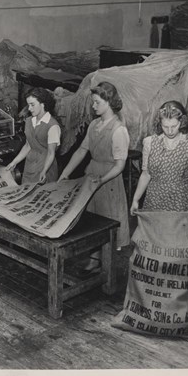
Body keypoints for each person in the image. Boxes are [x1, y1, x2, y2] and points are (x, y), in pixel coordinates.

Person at [58, 81, 130, 274]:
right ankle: (94, 259)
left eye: (97, 102)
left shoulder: (118, 130)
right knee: (92, 220)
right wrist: (65, 173)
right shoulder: (94, 125)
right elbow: (82, 150)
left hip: (109, 180)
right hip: (92, 175)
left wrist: (103, 180)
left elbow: (120, 165)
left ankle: (107, 268)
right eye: (93, 102)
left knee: (107, 222)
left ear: (109, 102)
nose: (93, 106)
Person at [130, 100, 188, 214]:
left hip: (179, 203)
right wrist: (135, 199)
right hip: (153, 201)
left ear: (182, 122)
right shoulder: (150, 142)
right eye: (165, 126)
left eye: (174, 126)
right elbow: (146, 174)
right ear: (160, 123)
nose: (170, 131)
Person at [6, 87, 61, 184]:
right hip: (30, 166)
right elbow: (28, 146)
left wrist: (44, 171)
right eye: (28, 105)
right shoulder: (29, 121)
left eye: (32, 105)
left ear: (43, 104)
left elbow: (51, 153)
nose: (29, 108)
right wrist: (14, 163)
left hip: (45, 167)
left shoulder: (52, 126)